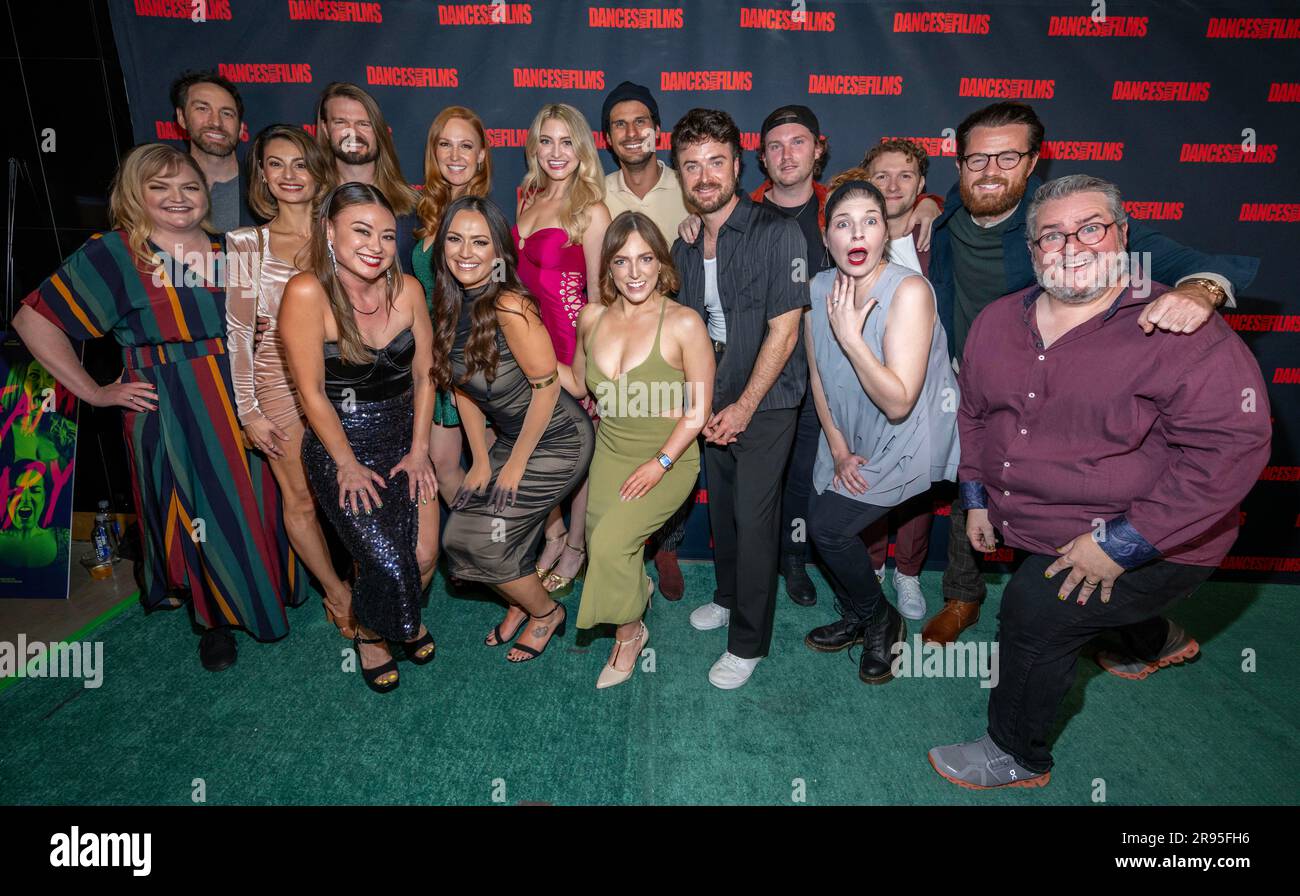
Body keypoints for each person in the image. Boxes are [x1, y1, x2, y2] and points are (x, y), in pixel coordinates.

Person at [928, 174, 1271, 788]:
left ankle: (1016, 754)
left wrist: (1121, 544)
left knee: (1036, 608)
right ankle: (1153, 641)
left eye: (1090, 228)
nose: (1071, 245)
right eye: (1051, 235)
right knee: (1073, 595)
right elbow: (975, 415)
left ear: (1123, 235)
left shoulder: (1179, 328)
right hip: (1042, 516)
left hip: (1161, 535)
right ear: (1033, 250)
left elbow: (1229, 452)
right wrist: (975, 497)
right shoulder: (998, 321)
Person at [923, 101, 1260, 646]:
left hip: (1057, 379)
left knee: (1061, 531)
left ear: (1033, 163)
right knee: (975, 482)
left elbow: (1183, 263)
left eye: (1007, 156)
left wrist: (1203, 290)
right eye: (976, 157)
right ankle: (964, 597)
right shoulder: (946, 217)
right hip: (971, 377)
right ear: (958, 164)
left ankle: (1118, 626)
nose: (990, 169)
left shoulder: (1064, 223)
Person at [12, 143, 309, 671]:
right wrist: (95, 391)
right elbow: (33, 320)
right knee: (194, 507)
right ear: (136, 194)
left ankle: (271, 590)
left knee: (257, 498)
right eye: (160, 187)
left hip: (244, 394)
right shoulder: (115, 253)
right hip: (172, 404)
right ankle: (213, 621)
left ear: (207, 195)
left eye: (190, 187)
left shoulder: (231, 249)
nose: (179, 198)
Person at [279, 182, 439, 693]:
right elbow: (311, 393)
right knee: (386, 561)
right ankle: (372, 633)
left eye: (388, 236)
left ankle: (400, 613)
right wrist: (346, 463)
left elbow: (425, 376)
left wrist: (420, 451)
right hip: (341, 446)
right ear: (329, 231)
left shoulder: (409, 290)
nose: (376, 245)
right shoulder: (307, 292)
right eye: (362, 231)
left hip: (405, 441)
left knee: (424, 556)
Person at [671, 108, 808, 690]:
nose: (704, 176)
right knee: (723, 511)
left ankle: (749, 642)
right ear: (680, 173)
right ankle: (727, 596)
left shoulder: (779, 232)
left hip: (768, 398)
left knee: (755, 522)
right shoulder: (684, 243)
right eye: (691, 165)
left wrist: (747, 405)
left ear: (737, 164)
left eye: (715, 162)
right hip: (714, 392)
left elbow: (786, 329)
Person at [802, 179, 959, 683]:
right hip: (847, 433)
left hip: (904, 433)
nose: (858, 233)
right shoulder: (819, 289)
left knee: (827, 527)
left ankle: (879, 619)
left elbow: (898, 401)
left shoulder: (910, 291)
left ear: (885, 230)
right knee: (824, 522)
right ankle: (860, 611)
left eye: (870, 220)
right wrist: (839, 448)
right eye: (843, 223)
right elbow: (818, 378)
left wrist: (851, 338)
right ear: (827, 237)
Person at [434, 195, 595, 663]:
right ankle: (520, 602)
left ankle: (544, 613)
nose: (466, 251)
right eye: (456, 239)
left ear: (499, 254)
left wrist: (514, 465)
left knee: (485, 541)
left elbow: (547, 391)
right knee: (459, 538)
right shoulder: (450, 304)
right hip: (511, 437)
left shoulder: (509, 305)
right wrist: (482, 459)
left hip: (559, 439)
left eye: (479, 242)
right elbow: (463, 390)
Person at [560, 211, 714, 688]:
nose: (635, 272)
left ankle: (630, 634)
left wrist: (660, 462)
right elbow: (578, 381)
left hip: (669, 458)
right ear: (607, 266)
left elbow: (698, 412)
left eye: (645, 258)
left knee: (607, 544)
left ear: (660, 263)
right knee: (607, 547)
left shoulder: (684, 323)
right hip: (610, 451)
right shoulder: (591, 318)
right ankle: (636, 590)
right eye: (622, 261)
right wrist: (528, 356)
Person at [225, 124, 358, 638]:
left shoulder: (341, 233)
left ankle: (366, 578)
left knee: (353, 488)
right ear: (261, 174)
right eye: (276, 164)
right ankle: (336, 593)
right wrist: (248, 410)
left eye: (300, 163)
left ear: (318, 170)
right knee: (300, 497)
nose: (289, 175)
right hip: (275, 384)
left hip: (345, 382)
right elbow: (238, 332)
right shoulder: (246, 244)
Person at [599, 81, 694, 600]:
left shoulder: (688, 185)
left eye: (641, 122)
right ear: (608, 137)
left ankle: (668, 545)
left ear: (658, 129)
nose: (632, 132)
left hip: (677, 336)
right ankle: (625, 541)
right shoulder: (597, 190)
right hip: (620, 336)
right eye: (620, 124)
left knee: (673, 436)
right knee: (622, 442)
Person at [514, 103, 611, 593]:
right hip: (530, 347)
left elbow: (598, 297)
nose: (556, 152)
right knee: (535, 448)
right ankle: (551, 534)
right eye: (546, 141)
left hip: (574, 347)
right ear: (534, 146)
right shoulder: (528, 199)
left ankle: (575, 546)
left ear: (581, 149)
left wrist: (589, 366)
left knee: (578, 452)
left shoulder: (591, 208)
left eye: (566, 141)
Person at [852, 138, 944, 619]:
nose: (892, 185)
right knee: (869, 476)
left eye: (905, 176)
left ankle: (908, 572)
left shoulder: (937, 232)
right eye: (882, 175)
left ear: (922, 184)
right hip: (865, 380)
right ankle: (870, 569)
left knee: (917, 488)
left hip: (929, 386)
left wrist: (935, 207)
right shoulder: (852, 231)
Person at [411, 106, 493, 505]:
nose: (455, 155)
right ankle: (479, 544)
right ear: (434, 151)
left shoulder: (483, 216)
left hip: (473, 357)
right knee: (444, 464)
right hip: (434, 359)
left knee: (493, 462)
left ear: (481, 155)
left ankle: (518, 546)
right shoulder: (426, 210)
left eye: (466, 146)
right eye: (445, 144)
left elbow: (497, 286)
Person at [315, 82, 419, 261]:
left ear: (379, 131)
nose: (352, 132)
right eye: (340, 122)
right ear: (325, 128)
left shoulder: (415, 207)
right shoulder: (310, 204)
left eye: (364, 124)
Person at [169, 70, 252, 232]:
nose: (215, 122)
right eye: (202, 109)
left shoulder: (265, 189)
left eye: (227, 113)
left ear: (241, 128)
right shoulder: (159, 190)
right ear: (181, 118)